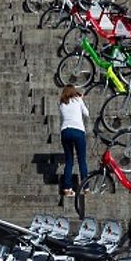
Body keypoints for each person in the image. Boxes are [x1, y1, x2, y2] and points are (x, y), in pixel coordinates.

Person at [58, 84, 89, 213]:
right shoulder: (78, 100)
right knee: (81, 160)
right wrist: (81, 99)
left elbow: (63, 114)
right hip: (78, 131)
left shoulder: (61, 102)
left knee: (69, 161)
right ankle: (85, 187)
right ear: (74, 91)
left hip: (65, 131)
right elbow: (86, 114)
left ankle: (67, 188)